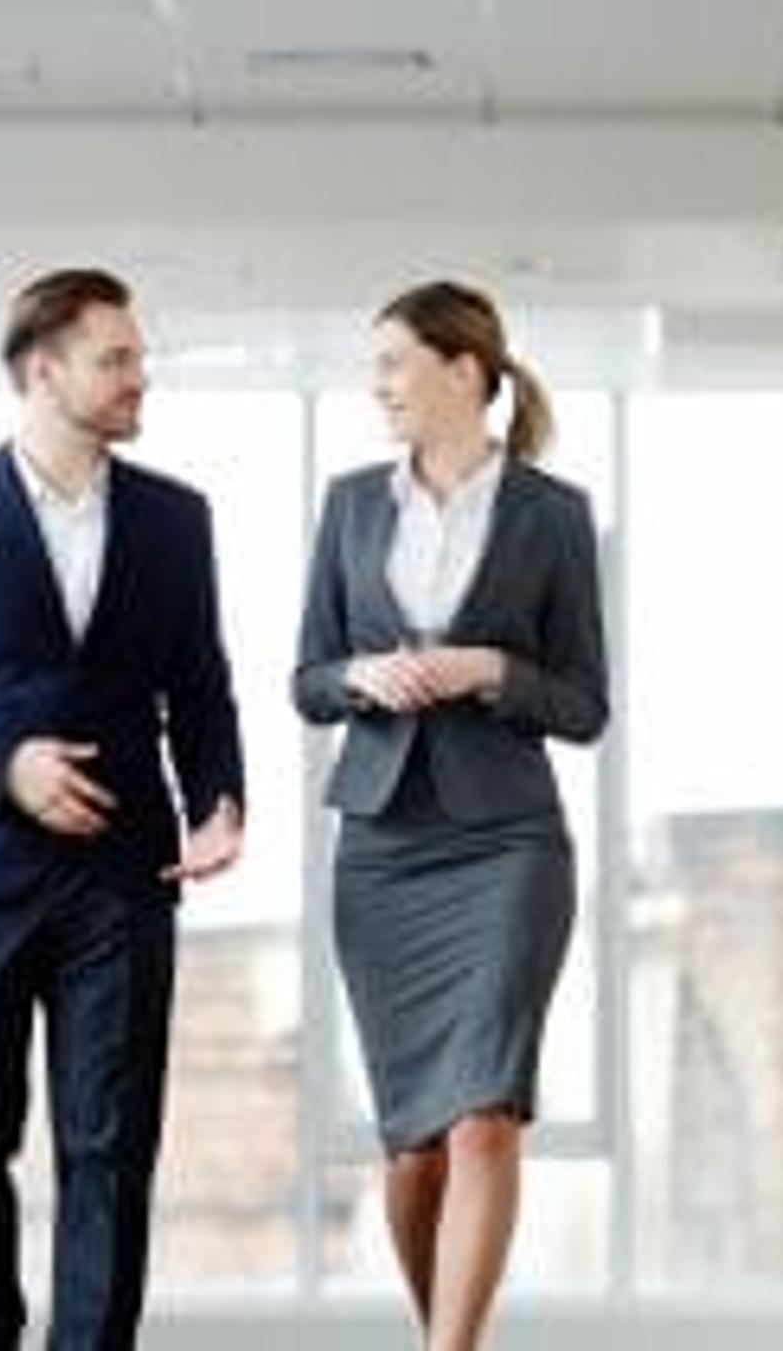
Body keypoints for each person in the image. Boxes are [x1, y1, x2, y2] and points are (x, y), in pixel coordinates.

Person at [0, 266, 248, 1351]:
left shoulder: (175, 519)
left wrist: (219, 803)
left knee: (110, 1152)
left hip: (123, 883)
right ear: (42, 370)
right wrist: (2, 766)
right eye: (116, 359)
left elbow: (201, 684)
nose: (138, 379)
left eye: (138, 359)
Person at [293, 279, 609, 1350]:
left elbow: (583, 704)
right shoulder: (348, 504)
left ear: (463, 370)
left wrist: (490, 668)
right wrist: (360, 678)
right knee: (414, 1149)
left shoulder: (552, 516)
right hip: (381, 851)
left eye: (393, 363)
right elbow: (306, 677)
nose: (377, 384)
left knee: (484, 1122)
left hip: (507, 846)